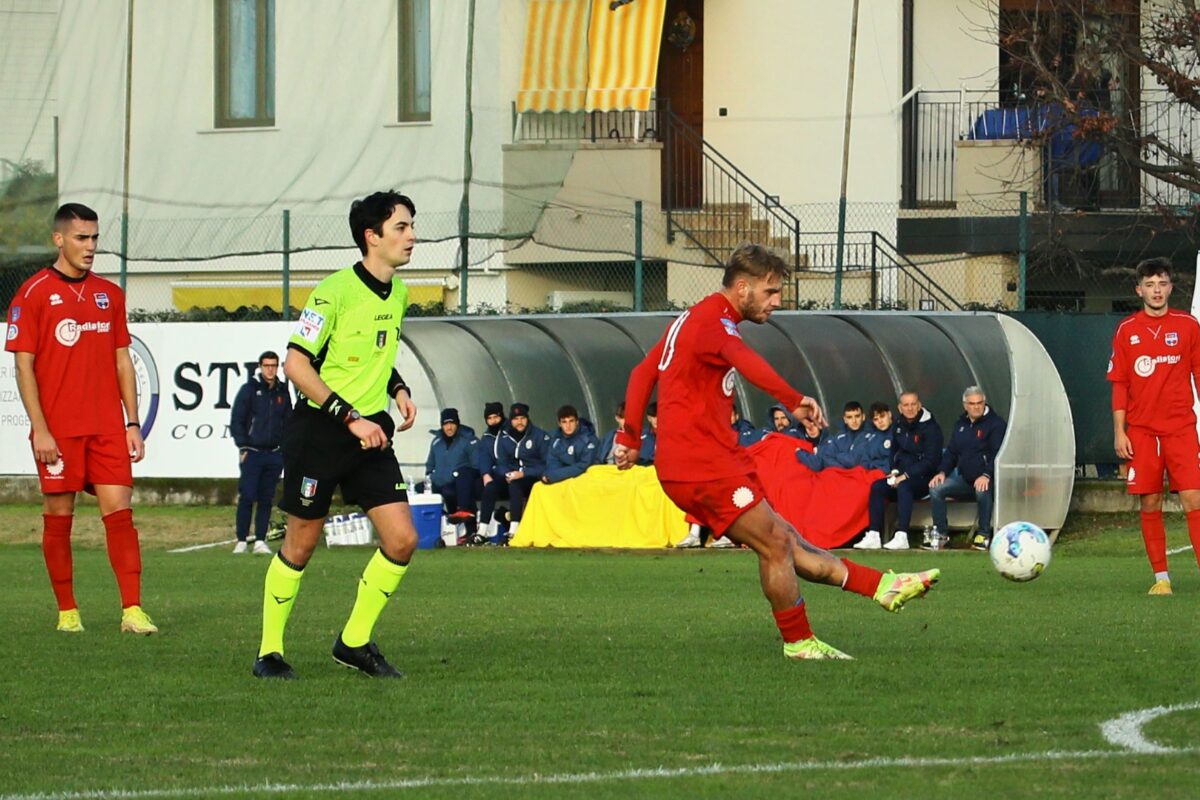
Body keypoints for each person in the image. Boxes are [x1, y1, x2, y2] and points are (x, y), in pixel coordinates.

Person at [613, 243, 939, 661]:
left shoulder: (692, 318)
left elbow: (643, 372)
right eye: (770, 292)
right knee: (775, 544)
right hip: (701, 465)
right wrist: (793, 399)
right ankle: (799, 643)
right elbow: (745, 361)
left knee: (785, 539)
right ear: (743, 288)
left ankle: (881, 586)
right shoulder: (714, 323)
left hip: (708, 461)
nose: (777, 302)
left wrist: (630, 438)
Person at [252, 190, 420, 680]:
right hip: (321, 433)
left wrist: (399, 387)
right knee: (301, 545)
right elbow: (297, 365)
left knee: (403, 540)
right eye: (401, 228)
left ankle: (354, 642)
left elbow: (374, 355)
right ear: (372, 237)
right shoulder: (333, 292)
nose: (412, 237)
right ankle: (269, 653)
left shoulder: (401, 292)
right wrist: (350, 418)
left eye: (411, 227)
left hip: (370, 436)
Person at [5, 202, 157, 635]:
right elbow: (23, 368)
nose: (90, 247)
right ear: (59, 239)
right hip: (59, 430)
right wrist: (41, 429)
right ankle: (68, 612)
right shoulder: (33, 294)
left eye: (94, 238)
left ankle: (132, 610)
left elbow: (122, 361)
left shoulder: (110, 295)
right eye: (81, 238)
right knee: (58, 515)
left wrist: (132, 422)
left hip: (107, 427)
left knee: (120, 510)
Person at [1109, 257, 1200, 596]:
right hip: (1143, 432)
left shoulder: (1188, 325)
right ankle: (1162, 578)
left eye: (1162, 283)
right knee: (1150, 503)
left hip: (1181, 429)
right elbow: (1119, 383)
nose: (1156, 290)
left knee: (1194, 499)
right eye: (1150, 284)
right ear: (1139, 289)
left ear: (1170, 287)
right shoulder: (1127, 330)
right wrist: (1120, 431)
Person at [857, 391, 944, 551]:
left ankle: (902, 535)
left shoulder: (931, 428)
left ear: (919, 405)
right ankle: (874, 534)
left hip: (924, 478)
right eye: (906, 405)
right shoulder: (898, 425)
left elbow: (932, 461)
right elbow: (894, 452)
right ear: (900, 407)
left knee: (905, 487)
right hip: (901, 476)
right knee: (878, 487)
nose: (910, 408)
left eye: (913, 404)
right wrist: (895, 471)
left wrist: (906, 475)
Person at [928, 386, 1007, 551]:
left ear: (984, 403)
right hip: (964, 479)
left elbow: (998, 454)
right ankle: (941, 535)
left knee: (982, 489)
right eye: (972, 403)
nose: (976, 407)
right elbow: (951, 452)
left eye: (979, 403)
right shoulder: (961, 424)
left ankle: (983, 535)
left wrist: (987, 474)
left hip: (989, 479)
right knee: (936, 489)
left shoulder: (995, 424)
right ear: (965, 405)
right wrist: (942, 472)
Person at [230, 350, 291, 555]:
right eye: (267, 366)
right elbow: (237, 419)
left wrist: (284, 448)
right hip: (253, 452)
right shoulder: (249, 389)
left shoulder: (283, 391)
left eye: (273, 365)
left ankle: (260, 540)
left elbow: (288, 421)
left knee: (266, 498)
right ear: (260, 366)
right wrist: (243, 446)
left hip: (274, 454)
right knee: (247, 496)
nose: (270, 369)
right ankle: (241, 540)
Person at [497, 402, 552, 541]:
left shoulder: (539, 436)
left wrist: (524, 473)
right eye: (515, 419)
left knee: (516, 485)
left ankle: (513, 529)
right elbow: (500, 463)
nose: (519, 422)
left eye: (522, 418)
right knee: (490, 487)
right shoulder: (504, 437)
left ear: (527, 419)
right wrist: (507, 474)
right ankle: (481, 530)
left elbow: (547, 465)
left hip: (534, 476)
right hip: (513, 477)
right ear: (511, 421)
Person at [424, 408, 478, 529]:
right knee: (415, 489)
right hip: (437, 482)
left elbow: (476, 466)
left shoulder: (468, 440)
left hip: (458, 483)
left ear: (457, 424)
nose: (449, 427)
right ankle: (437, 522)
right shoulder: (436, 441)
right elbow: (430, 464)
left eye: (452, 423)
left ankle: (462, 524)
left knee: (450, 491)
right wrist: (430, 475)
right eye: (446, 424)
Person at [797, 401, 865, 471]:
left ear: (863, 417)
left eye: (857, 416)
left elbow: (853, 461)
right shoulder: (839, 437)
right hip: (839, 475)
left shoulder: (869, 436)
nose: (854, 421)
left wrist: (837, 456)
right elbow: (824, 459)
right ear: (845, 419)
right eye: (849, 417)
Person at [475, 401, 508, 542]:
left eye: (496, 417)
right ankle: (477, 529)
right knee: (474, 486)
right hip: (496, 477)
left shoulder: (509, 432)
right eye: (489, 418)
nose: (493, 421)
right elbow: (484, 457)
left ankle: (506, 526)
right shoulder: (487, 437)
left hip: (510, 476)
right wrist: (485, 473)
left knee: (490, 489)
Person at [544, 405, 600, 483]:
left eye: (571, 421)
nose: (568, 426)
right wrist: (553, 476)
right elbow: (552, 463)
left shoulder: (589, 440)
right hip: (563, 480)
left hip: (587, 480)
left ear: (577, 422)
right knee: (539, 487)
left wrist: (554, 476)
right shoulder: (556, 441)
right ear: (559, 424)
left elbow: (583, 467)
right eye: (564, 422)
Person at [852, 401, 896, 472]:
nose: (880, 421)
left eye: (882, 416)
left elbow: (898, 459)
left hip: (890, 474)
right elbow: (864, 461)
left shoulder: (900, 431)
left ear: (889, 414)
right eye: (876, 419)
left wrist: (877, 466)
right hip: (871, 473)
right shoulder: (872, 438)